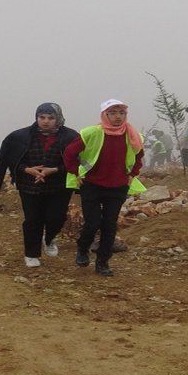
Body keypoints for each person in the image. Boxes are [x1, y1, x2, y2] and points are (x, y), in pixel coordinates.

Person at [0, 103, 79, 267]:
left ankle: (49, 239)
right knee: (32, 220)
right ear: (36, 117)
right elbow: (6, 160)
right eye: (41, 117)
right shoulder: (18, 137)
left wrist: (54, 170)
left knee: (57, 217)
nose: (46, 121)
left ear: (58, 119)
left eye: (51, 118)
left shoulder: (72, 137)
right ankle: (31, 254)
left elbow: (79, 162)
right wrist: (26, 169)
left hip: (59, 186)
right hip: (28, 186)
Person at [63, 100, 146, 277]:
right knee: (93, 223)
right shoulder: (91, 133)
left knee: (110, 225)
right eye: (113, 113)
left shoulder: (133, 136)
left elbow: (138, 157)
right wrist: (76, 172)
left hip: (118, 186)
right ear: (104, 115)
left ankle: (103, 261)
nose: (118, 117)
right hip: (92, 185)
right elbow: (69, 153)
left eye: (121, 113)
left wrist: (132, 174)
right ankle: (83, 248)